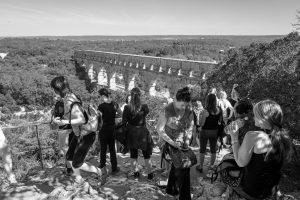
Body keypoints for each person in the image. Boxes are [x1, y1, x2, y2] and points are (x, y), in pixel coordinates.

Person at [226, 99, 293, 199]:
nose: (253, 116)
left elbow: (240, 162)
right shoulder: (284, 138)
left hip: (251, 192)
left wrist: (234, 137)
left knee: (225, 162)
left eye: (255, 114)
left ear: (264, 117)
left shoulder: (253, 136)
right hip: (270, 191)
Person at [51, 76, 102, 187]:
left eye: (54, 89)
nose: (53, 92)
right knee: (69, 156)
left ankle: (100, 171)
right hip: (79, 133)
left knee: (76, 163)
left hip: (86, 134)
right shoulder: (70, 96)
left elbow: (81, 119)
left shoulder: (69, 100)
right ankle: (78, 179)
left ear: (58, 89)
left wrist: (63, 122)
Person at [156, 87, 194, 200]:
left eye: (185, 105)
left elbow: (191, 127)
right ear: (175, 99)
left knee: (177, 165)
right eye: (181, 105)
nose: (183, 108)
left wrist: (187, 140)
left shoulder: (188, 109)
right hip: (168, 142)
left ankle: (171, 189)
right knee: (184, 166)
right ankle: (185, 197)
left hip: (182, 142)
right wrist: (172, 143)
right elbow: (160, 130)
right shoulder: (166, 110)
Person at [122, 87, 154, 180]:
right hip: (143, 132)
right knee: (146, 154)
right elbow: (146, 114)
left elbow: (124, 122)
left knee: (133, 154)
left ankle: (136, 173)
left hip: (132, 132)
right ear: (140, 96)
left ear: (131, 96)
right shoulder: (144, 107)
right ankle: (150, 174)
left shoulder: (127, 107)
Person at [98, 88, 122, 184]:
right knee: (112, 149)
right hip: (112, 129)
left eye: (100, 96)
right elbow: (120, 114)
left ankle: (102, 169)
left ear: (103, 96)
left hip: (104, 129)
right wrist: (114, 118)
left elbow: (98, 118)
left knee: (103, 149)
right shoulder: (115, 104)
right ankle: (114, 168)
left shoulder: (101, 106)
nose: (100, 98)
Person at [196, 94, 222, 174]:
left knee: (202, 149)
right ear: (215, 101)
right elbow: (220, 121)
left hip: (205, 132)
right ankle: (211, 166)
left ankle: (200, 166)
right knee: (213, 149)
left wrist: (199, 118)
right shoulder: (219, 109)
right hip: (214, 131)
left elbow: (202, 124)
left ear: (207, 101)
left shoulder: (205, 111)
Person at [51, 95, 73, 175]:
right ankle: (68, 168)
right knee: (67, 149)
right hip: (69, 128)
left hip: (64, 129)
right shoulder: (68, 104)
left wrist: (54, 120)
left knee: (65, 149)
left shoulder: (59, 104)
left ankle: (69, 169)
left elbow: (57, 118)